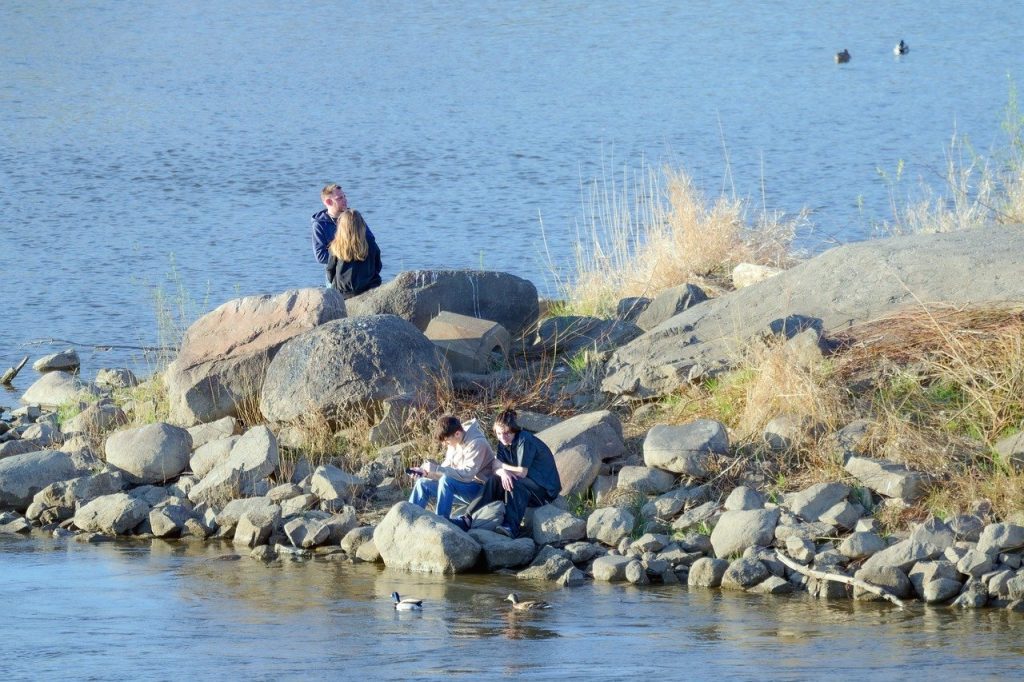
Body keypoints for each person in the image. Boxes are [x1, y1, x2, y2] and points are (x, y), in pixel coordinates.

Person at [459, 408, 561, 537]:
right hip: (526, 484)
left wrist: (501, 466)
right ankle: (467, 518)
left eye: (507, 433)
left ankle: (511, 527)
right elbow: (495, 468)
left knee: (514, 480)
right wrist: (502, 472)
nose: (503, 437)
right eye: (499, 433)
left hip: (544, 491)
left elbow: (522, 472)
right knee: (495, 479)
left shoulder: (524, 440)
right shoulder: (503, 442)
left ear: (514, 430)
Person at [408, 415, 496, 521]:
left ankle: (441, 521)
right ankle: (409, 517)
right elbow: (446, 469)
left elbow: (467, 475)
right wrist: (426, 473)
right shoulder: (454, 441)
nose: (445, 445)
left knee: (446, 481)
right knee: (422, 483)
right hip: (461, 487)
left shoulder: (477, 443)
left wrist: (436, 469)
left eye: (446, 441)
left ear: (457, 434)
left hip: (481, 491)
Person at [326, 208, 382, 298]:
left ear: (341, 226)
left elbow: (330, 270)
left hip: (343, 292)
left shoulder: (336, 245)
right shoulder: (370, 243)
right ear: (362, 225)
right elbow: (378, 265)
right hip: (368, 289)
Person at [311, 183, 349, 266]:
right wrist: (347, 256)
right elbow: (321, 257)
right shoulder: (320, 224)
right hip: (336, 274)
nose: (345, 200)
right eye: (340, 198)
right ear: (328, 202)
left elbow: (370, 241)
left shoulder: (353, 217)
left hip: (360, 271)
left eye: (344, 196)